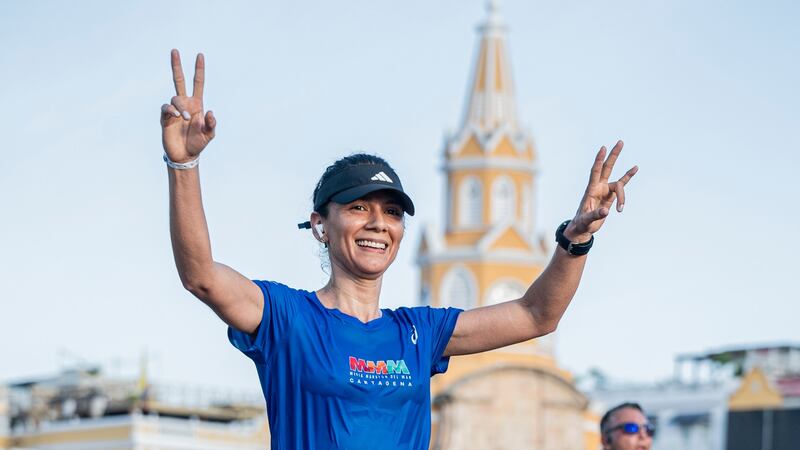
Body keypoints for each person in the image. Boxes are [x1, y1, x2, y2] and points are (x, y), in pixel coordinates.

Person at [160, 49, 639, 449]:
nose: (377, 223)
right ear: (320, 225)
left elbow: (537, 316)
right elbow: (200, 273)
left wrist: (576, 239)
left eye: (392, 212)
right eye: (357, 207)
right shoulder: (289, 318)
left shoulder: (419, 333)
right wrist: (184, 167)